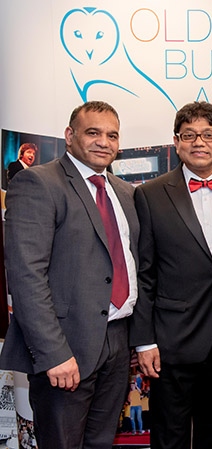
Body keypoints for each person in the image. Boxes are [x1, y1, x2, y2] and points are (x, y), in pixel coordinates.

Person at [0, 101, 139, 449]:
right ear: (69, 135)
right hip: (65, 347)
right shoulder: (37, 183)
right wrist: (53, 354)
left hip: (118, 342)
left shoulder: (126, 193)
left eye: (112, 135)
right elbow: (26, 276)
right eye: (93, 132)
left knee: (100, 442)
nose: (103, 142)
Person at [129, 101, 212, 449]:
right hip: (172, 341)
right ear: (176, 142)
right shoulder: (149, 194)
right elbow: (144, 273)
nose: (200, 142)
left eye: (209, 134)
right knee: (170, 436)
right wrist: (145, 341)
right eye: (189, 135)